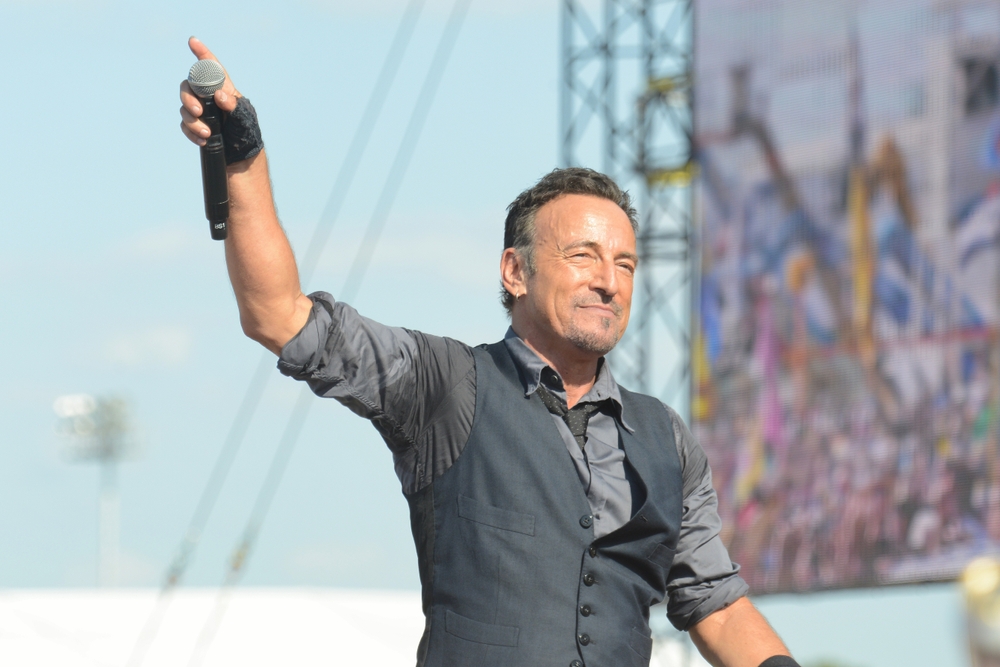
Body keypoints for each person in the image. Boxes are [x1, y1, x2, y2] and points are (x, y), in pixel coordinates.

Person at [179, 37, 798, 667]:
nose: (609, 280)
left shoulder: (665, 438)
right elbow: (277, 312)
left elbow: (716, 604)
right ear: (515, 271)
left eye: (626, 263)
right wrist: (244, 159)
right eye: (582, 255)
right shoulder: (445, 385)